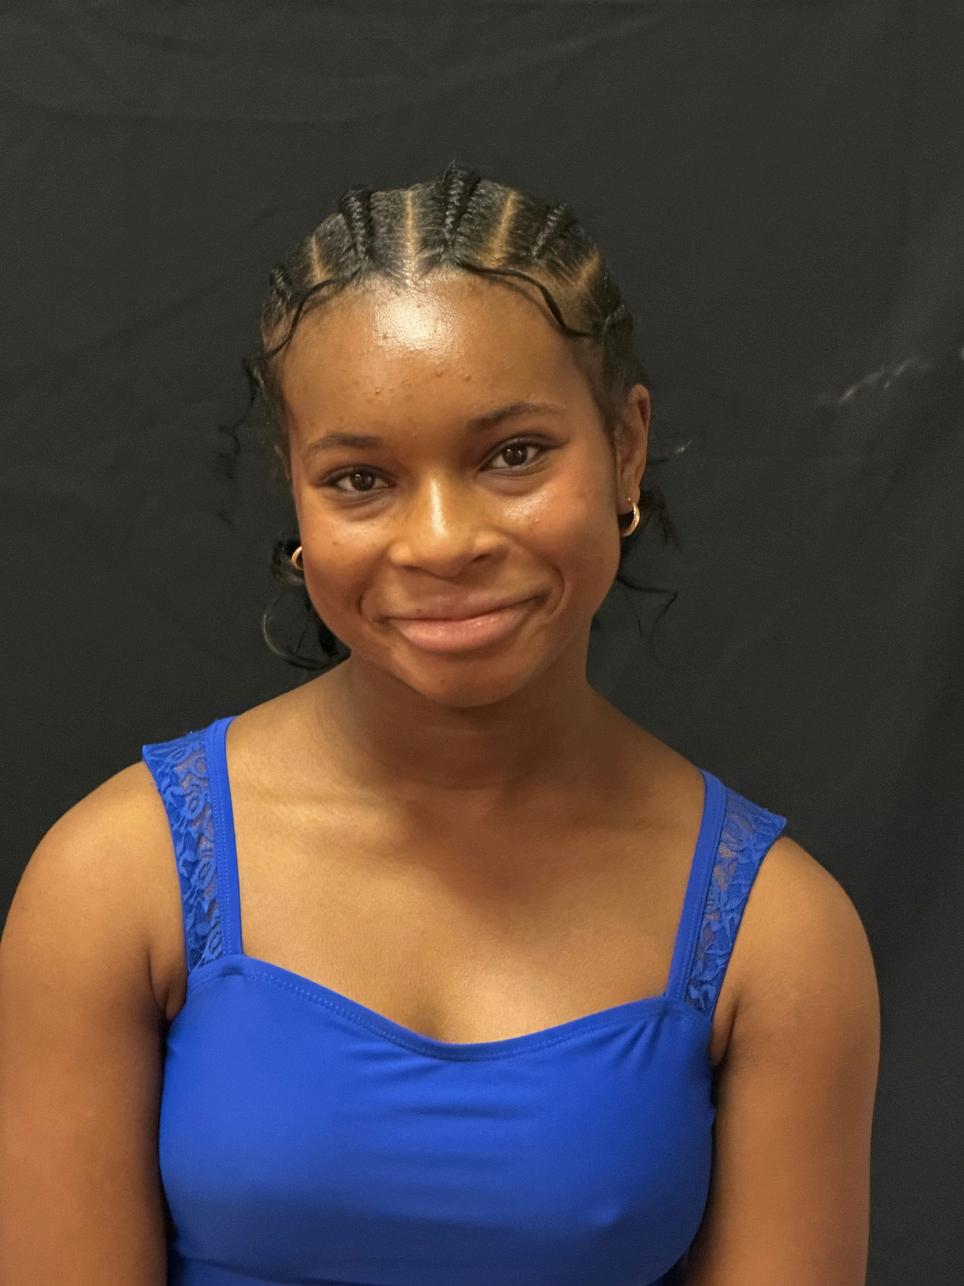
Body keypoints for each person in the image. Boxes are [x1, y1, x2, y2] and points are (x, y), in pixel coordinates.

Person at [0, 162, 880, 1285]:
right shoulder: (115, 877)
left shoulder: (777, 932)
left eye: (513, 455)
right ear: (297, 496)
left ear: (626, 446)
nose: (441, 540)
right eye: (360, 478)